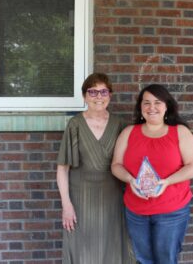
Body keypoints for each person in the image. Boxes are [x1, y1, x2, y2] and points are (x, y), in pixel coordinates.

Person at [111, 84, 193, 264]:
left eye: (157, 102)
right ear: (140, 107)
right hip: (136, 210)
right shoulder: (129, 133)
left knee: (165, 259)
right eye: (146, 103)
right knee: (143, 259)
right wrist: (130, 179)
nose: (151, 107)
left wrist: (166, 182)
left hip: (172, 210)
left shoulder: (180, 132)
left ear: (167, 106)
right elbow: (116, 165)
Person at [56, 73, 134, 264]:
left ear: (110, 95)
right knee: (82, 250)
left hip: (113, 198)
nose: (98, 96)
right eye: (92, 92)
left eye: (103, 91)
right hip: (81, 199)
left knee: (114, 249)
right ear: (84, 96)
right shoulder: (75, 125)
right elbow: (62, 169)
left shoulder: (121, 125)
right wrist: (66, 205)